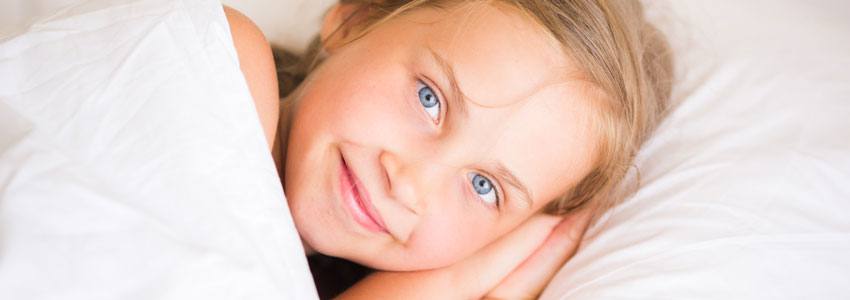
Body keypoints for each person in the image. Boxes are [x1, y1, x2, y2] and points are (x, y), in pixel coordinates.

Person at [224, 0, 672, 298]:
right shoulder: (226, 64)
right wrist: (452, 284)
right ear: (357, 18)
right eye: (429, 99)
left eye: (483, 186)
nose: (410, 186)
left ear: (507, 241)